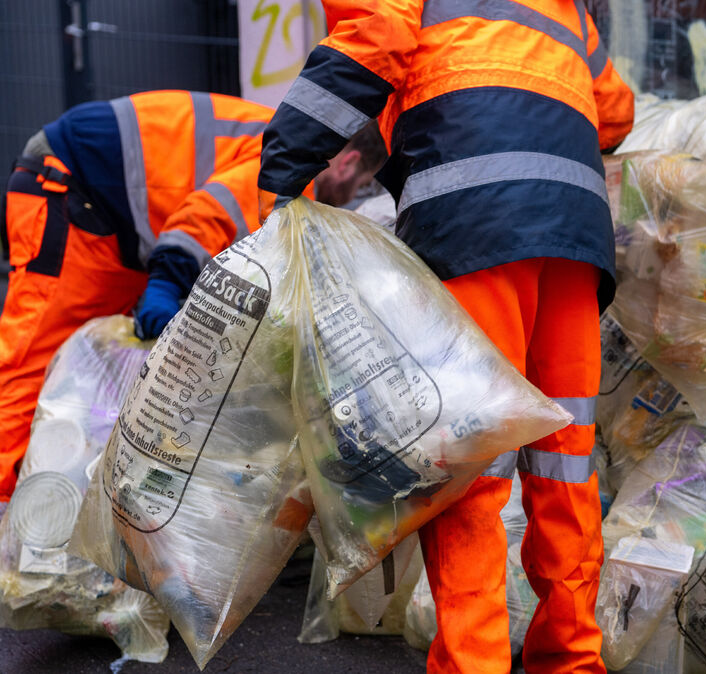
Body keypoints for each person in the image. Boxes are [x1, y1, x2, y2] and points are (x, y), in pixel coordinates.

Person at [257, 1, 634, 671]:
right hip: (575, 235)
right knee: (564, 461)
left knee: (468, 461)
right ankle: (572, 659)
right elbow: (617, 112)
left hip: (474, 219)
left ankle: (474, 662)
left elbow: (371, 40)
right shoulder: (565, 7)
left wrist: (283, 171)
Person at [0, 89, 386, 503]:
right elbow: (205, 218)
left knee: (93, 372)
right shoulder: (292, 163)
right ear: (347, 162)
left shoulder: (284, 142)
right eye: (361, 184)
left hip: (105, 207)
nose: (352, 197)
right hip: (69, 183)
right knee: (35, 363)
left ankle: (52, 502)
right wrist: (166, 284)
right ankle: (8, 511)